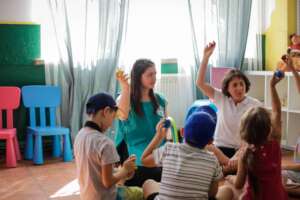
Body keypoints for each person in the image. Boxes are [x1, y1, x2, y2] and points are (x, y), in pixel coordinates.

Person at [223, 73, 288, 200]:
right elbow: (276, 112)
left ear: (244, 131)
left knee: (230, 189)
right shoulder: (275, 144)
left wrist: (230, 178)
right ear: (268, 127)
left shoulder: (245, 154)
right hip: (277, 196)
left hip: (253, 197)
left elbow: (238, 183)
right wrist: (272, 86)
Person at [196, 41, 262, 159]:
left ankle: (229, 167)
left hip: (242, 151)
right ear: (227, 88)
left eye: (241, 84)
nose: (239, 88)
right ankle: (228, 166)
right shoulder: (221, 98)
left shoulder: (254, 104)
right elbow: (200, 83)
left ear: (246, 86)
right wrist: (206, 57)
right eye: (235, 85)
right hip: (221, 148)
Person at [74, 92, 142, 200]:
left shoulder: (80, 135)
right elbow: (108, 182)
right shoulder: (105, 143)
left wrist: (122, 172)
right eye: (113, 117)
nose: (111, 124)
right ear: (106, 111)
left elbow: (95, 170)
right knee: (140, 193)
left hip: (87, 196)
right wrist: (124, 170)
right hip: (105, 197)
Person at [141, 111, 223, 200]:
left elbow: (144, 160)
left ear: (182, 132)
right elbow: (212, 193)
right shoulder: (212, 160)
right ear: (211, 141)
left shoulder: (169, 149)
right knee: (227, 190)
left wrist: (159, 136)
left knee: (148, 184)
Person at [115, 59, 168, 187]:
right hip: (137, 159)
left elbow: (167, 131)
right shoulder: (125, 99)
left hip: (159, 156)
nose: (154, 78)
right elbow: (122, 115)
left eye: (155, 74)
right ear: (138, 77)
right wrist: (126, 88)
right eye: (150, 75)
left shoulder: (160, 99)